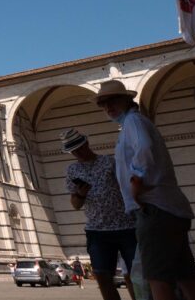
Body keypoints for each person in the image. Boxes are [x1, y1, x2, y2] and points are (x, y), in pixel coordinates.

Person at [97, 79, 195, 300]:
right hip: (170, 209)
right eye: (103, 104)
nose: (108, 107)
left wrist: (136, 183)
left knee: (157, 278)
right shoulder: (134, 123)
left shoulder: (133, 121)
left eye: (113, 101)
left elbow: (144, 147)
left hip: (154, 209)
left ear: (126, 99)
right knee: (185, 276)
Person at [60, 126, 136, 300]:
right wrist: (80, 194)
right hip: (97, 231)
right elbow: (75, 204)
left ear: (86, 143)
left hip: (126, 226)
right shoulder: (73, 171)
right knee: (102, 276)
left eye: (79, 148)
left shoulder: (110, 163)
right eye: (72, 151)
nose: (77, 153)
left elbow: (127, 188)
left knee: (133, 274)